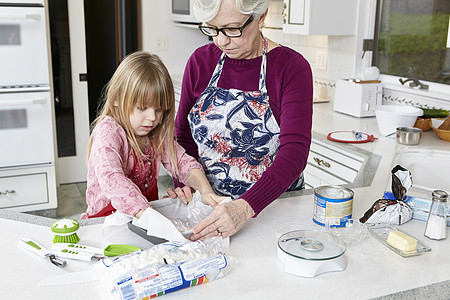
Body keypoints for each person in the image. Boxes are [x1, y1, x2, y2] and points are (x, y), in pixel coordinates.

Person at [172, 0, 313, 240]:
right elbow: (182, 136)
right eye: (213, 29)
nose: (221, 41)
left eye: (231, 29)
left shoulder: (291, 68)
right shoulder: (200, 62)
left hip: (273, 211)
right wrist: (184, 183)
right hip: (210, 209)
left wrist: (245, 207)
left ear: (261, 16)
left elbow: (295, 152)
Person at [81, 51, 224, 219]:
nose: (152, 118)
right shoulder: (108, 131)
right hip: (106, 220)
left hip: (142, 218)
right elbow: (112, 178)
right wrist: (150, 219)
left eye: (159, 110)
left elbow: (182, 163)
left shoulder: (154, 134)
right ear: (116, 99)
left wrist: (205, 191)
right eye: (142, 108)